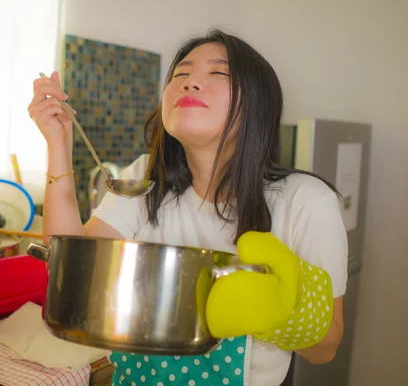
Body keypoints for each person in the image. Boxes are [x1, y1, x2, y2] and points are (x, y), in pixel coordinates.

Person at [28, 28, 347, 386]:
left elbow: (327, 348)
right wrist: (58, 143)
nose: (190, 83)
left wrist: (281, 313)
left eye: (218, 73)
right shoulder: (145, 179)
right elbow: (73, 272)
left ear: (258, 102)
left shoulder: (307, 201)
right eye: (181, 74)